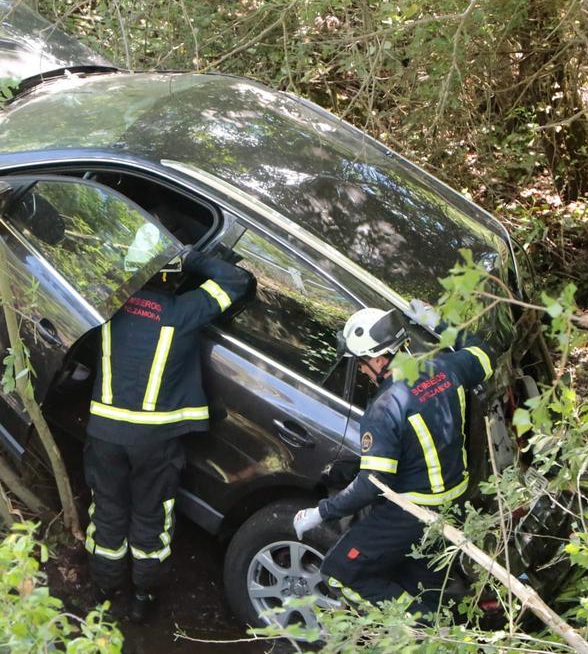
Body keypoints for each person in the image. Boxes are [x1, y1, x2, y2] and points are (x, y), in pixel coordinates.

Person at [84, 230, 252, 623]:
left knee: (107, 511)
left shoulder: (106, 305)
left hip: (105, 435)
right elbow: (236, 281)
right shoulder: (182, 312)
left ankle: (105, 591)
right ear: (171, 275)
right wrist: (190, 257)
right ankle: (143, 596)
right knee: (150, 516)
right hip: (154, 442)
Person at [292, 301, 494, 615]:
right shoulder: (445, 367)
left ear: (378, 357)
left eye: (360, 361)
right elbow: (483, 355)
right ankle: (439, 624)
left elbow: (371, 486)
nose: (359, 369)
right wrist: (437, 322)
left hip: (412, 509)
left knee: (341, 572)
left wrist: (321, 512)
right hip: (455, 498)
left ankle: (417, 625)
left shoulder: (385, 407)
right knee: (420, 579)